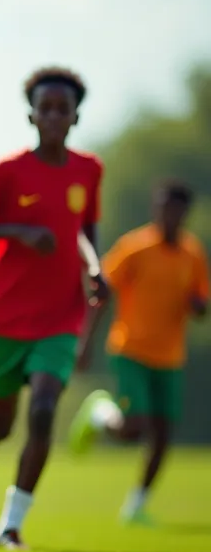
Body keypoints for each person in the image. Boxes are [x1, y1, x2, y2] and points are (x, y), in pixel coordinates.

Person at [0, 67, 106, 549]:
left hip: (60, 318)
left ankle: (10, 526)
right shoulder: (9, 171)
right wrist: (19, 231)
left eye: (63, 109)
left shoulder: (89, 170)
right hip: (5, 318)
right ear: (31, 116)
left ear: (76, 117)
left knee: (42, 411)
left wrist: (94, 267)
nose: (54, 116)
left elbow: (83, 229)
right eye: (46, 108)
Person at [70, 181, 208, 523]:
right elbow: (101, 292)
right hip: (130, 349)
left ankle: (136, 506)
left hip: (170, 357)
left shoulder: (192, 254)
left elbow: (201, 300)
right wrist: (85, 342)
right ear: (156, 209)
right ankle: (99, 413)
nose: (169, 215)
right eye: (163, 208)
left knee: (162, 434)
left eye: (175, 209)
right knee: (134, 428)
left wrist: (198, 306)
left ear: (185, 213)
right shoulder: (135, 247)